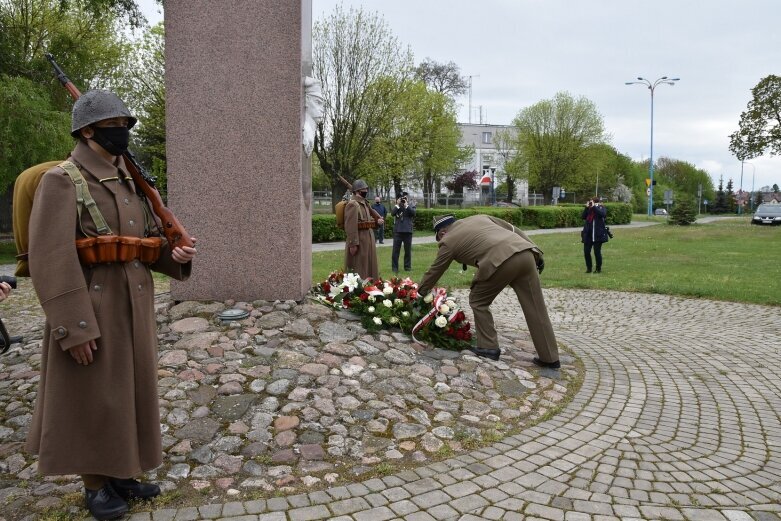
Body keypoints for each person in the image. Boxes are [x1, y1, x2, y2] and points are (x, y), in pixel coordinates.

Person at [25, 90, 197, 521]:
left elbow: (142, 242)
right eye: (114, 124)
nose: (122, 131)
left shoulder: (128, 178)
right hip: (92, 301)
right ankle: (95, 484)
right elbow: (51, 259)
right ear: (87, 130)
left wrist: (170, 256)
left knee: (127, 392)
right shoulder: (63, 179)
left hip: (133, 301)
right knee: (93, 394)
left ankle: (122, 471)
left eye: (126, 124)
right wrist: (73, 326)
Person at [418, 214, 560, 368]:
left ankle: (489, 347)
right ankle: (550, 358)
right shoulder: (481, 217)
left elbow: (435, 270)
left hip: (500, 261)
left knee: (478, 301)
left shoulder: (448, 241)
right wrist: (536, 251)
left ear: (442, 233)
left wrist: (420, 292)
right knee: (536, 307)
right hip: (526, 254)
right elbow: (514, 229)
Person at [344, 179, 384, 280]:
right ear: (357, 191)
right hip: (360, 240)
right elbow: (350, 226)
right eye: (364, 189)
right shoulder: (353, 204)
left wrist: (377, 223)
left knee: (369, 265)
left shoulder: (364, 203)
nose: (366, 191)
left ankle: (370, 287)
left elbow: (367, 221)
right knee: (359, 266)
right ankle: (359, 290)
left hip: (368, 237)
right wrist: (353, 244)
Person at [581, 196, 609, 273]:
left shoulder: (601, 207)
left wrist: (594, 207)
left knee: (597, 252)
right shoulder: (589, 209)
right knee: (586, 252)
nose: (590, 203)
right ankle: (589, 268)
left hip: (597, 234)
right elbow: (583, 217)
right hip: (588, 234)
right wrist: (587, 208)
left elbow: (603, 214)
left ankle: (598, 268)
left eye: (591, 202)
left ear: (596, 202)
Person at [391, 191, 416, 274]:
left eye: (405, 198)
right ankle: (395, 268)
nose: (403, 199)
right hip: (398, 231)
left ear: (407, 198)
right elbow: (392, 213)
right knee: (395, 251)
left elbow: (413, 213)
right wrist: (398, 204)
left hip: (408, 231)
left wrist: (406, 205)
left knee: (407, 250)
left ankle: (407, 267)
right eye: (402, 198)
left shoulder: (410, 205)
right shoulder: (397, 206)